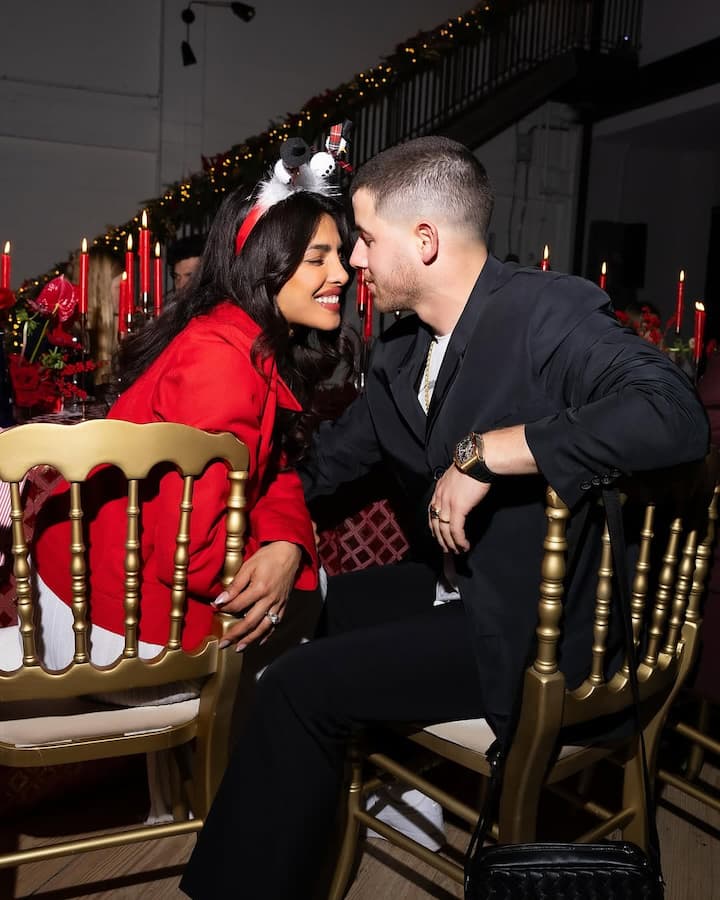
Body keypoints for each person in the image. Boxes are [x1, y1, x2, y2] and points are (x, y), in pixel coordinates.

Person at [180, 136, 708, 899]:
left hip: (538, 636)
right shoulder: (400, 353)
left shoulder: (544, 313)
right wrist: (277, 533)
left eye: (363, 239)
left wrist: (489, 451)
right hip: (457, 595)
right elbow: (326, 464)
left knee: (299, 686)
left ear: (423, 241)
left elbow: (675, 416)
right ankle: (329, 814)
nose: (354, 262)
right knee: (294, 615)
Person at [8, 184, 354, 679]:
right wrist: (289, 561)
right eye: (318, 259)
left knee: (303, 591)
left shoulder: (240, 337)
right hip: (114, 626)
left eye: (339, 255)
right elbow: (188, 555)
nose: (342, 273)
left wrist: (286, 544)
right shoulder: (223, 363)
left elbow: (273, 468)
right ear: (264, 265)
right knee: (308, 607)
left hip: (118, 588)